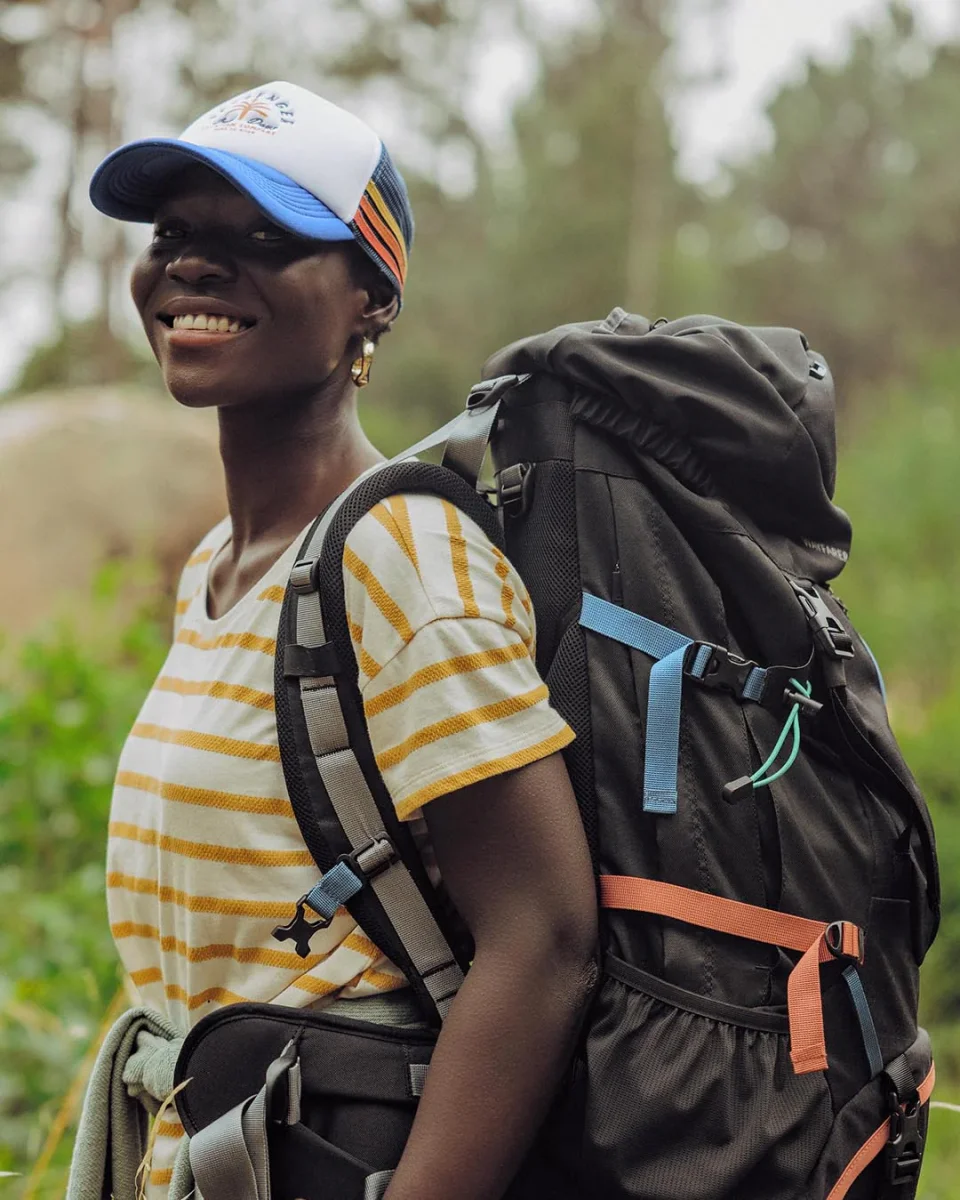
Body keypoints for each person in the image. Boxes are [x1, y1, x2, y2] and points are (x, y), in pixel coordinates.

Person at [83, 81, 597, 1200]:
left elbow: (545, 942)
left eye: (266, 237)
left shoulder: (399, 554)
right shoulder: (217, 568)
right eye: (173, 233)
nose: (193, 265)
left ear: (371, 299)